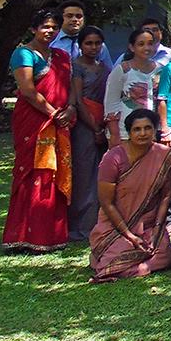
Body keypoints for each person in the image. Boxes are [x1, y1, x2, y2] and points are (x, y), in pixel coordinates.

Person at [3, 9, 74, 252]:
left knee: (54, 173)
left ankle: (50, 235)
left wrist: (70, 108)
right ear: (34, 29)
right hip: (34, 121)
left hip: (59, 120)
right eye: (45, 27)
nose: (50, 31)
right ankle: (22, 235)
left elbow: (71, 87)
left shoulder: (62, 55)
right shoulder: (23, 54)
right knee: (31, 173)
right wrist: (54, 113)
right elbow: (28, 91)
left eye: (54, 27)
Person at [89, 110, 171, 282]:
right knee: (119, 254)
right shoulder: (114, 157)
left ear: (155, 130)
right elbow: (106, 203)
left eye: (148, 128)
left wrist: (158, 228)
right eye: (137, 129)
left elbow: (167, 195)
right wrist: (129, 235)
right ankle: (108, 262)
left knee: (164, 256)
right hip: (116, 226)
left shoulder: (164, 156)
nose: (143, 133)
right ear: (129, 133)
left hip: (149, 224)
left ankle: (124, 267)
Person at [67, 25, 110, 241]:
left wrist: (104, 127)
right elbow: (78, 100)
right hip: (85, 126)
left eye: (97, 43)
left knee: (101, 174)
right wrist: (94, 127)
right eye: (88, 43)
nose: (93, 47)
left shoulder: (104, 67)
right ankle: (79, 226)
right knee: (83, 175)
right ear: (80, 45)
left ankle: (97, 223)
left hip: (103, 123)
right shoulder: (76, 66)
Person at [103, 27, 162, 143]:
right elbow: (111, 103)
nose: (146, 48)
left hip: (150, 132)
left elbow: (161, 102)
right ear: (131, 47)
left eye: (150, 44)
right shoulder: (122, 70)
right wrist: (115, 135)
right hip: (124, 132)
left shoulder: (160, 70)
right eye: (141, 44)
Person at [51, 0, 113, 67]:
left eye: (79, 16)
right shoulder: (51, 41)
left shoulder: (97, 43)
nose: (75, 19)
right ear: (60, 18)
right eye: (69, 16)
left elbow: (109, 71)